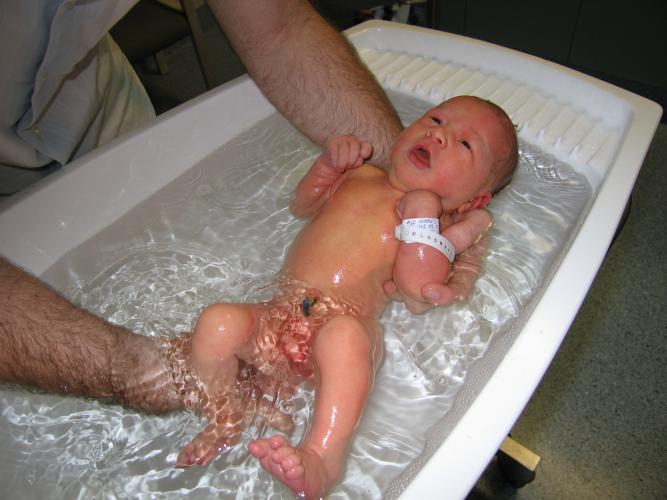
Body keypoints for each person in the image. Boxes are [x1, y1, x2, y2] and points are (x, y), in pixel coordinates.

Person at [0, 0, 408, 406]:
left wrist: (416, 181)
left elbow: (280, 26)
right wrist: (137, 373)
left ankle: (322, 452)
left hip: (88, 100)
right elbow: (302, 205)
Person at [171, 95, 518, 498]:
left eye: (465, 144)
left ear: (474, 200)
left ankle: (322, 459)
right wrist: (328, 167)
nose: (439, 135)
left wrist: (455, 255)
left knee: (344, 338)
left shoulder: (441, 230)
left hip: (342, 325)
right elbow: (301, 206)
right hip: (278, 313)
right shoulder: (361, 175)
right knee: (218, 321)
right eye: (436, 119)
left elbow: (423, 291)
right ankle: (223, 412)